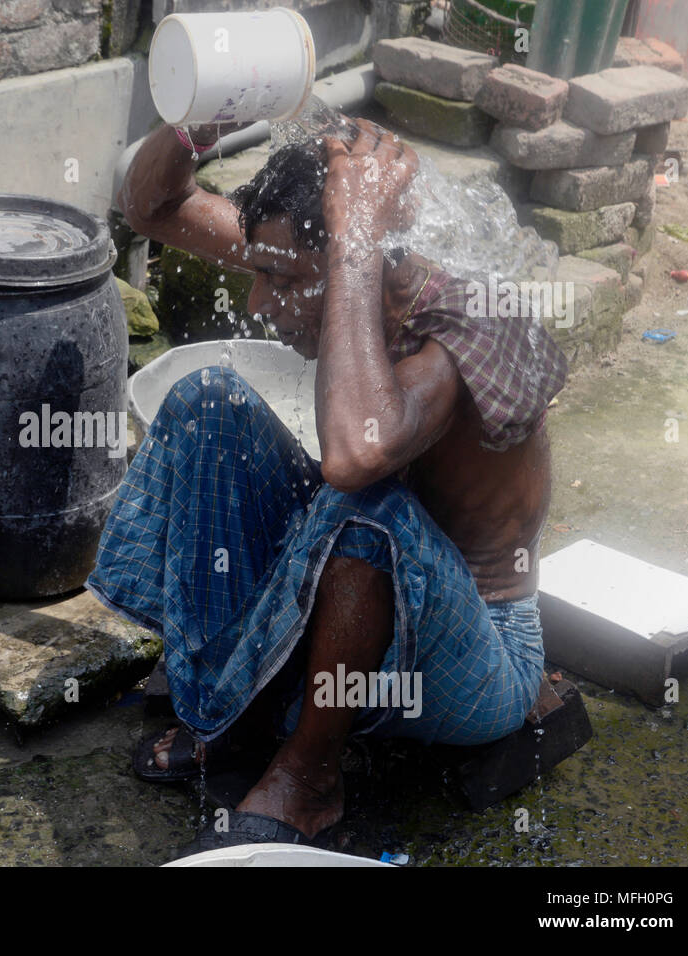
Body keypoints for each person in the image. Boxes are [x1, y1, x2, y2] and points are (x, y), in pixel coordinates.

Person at [87, 116, 568, 855]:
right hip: (360, 601)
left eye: (278, 281)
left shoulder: (470, 324)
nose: (256, 303)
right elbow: (149, 207)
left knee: (362, 509)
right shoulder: (309, 248)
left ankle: (310, 776)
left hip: (478, 654)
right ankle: (227, 713)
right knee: (207, 400)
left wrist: (354, 242)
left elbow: (353, 459)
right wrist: (195, 123)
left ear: (356, 253)